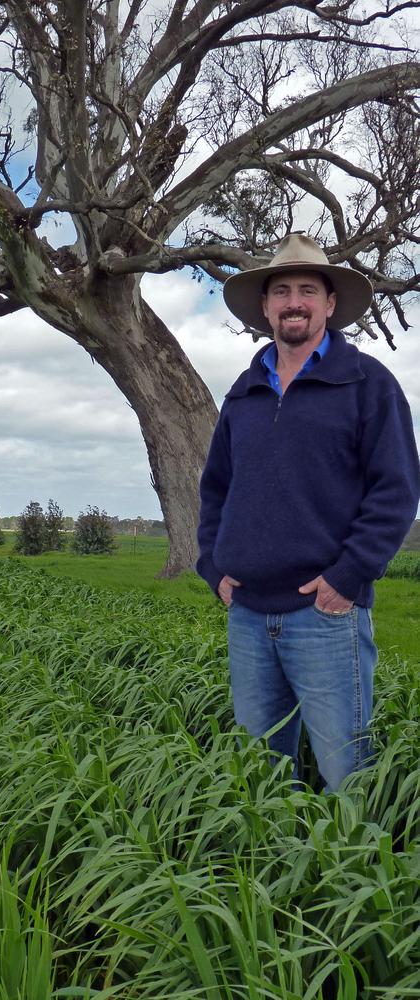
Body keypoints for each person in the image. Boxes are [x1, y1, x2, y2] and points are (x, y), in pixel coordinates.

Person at [196, 233, 420, 792]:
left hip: (326, 617)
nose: (293, 302)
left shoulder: (369, 385)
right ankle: (271, 872)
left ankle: (355, 874)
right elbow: (216, 489)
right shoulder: (243, 394)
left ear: (329, 304)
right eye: (281, 291)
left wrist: (346, 579)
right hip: (246, 615)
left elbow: (396, 490)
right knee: (260, 776)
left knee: (347, 772)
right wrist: (211, 566)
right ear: (266, 307)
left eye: (307, 290)